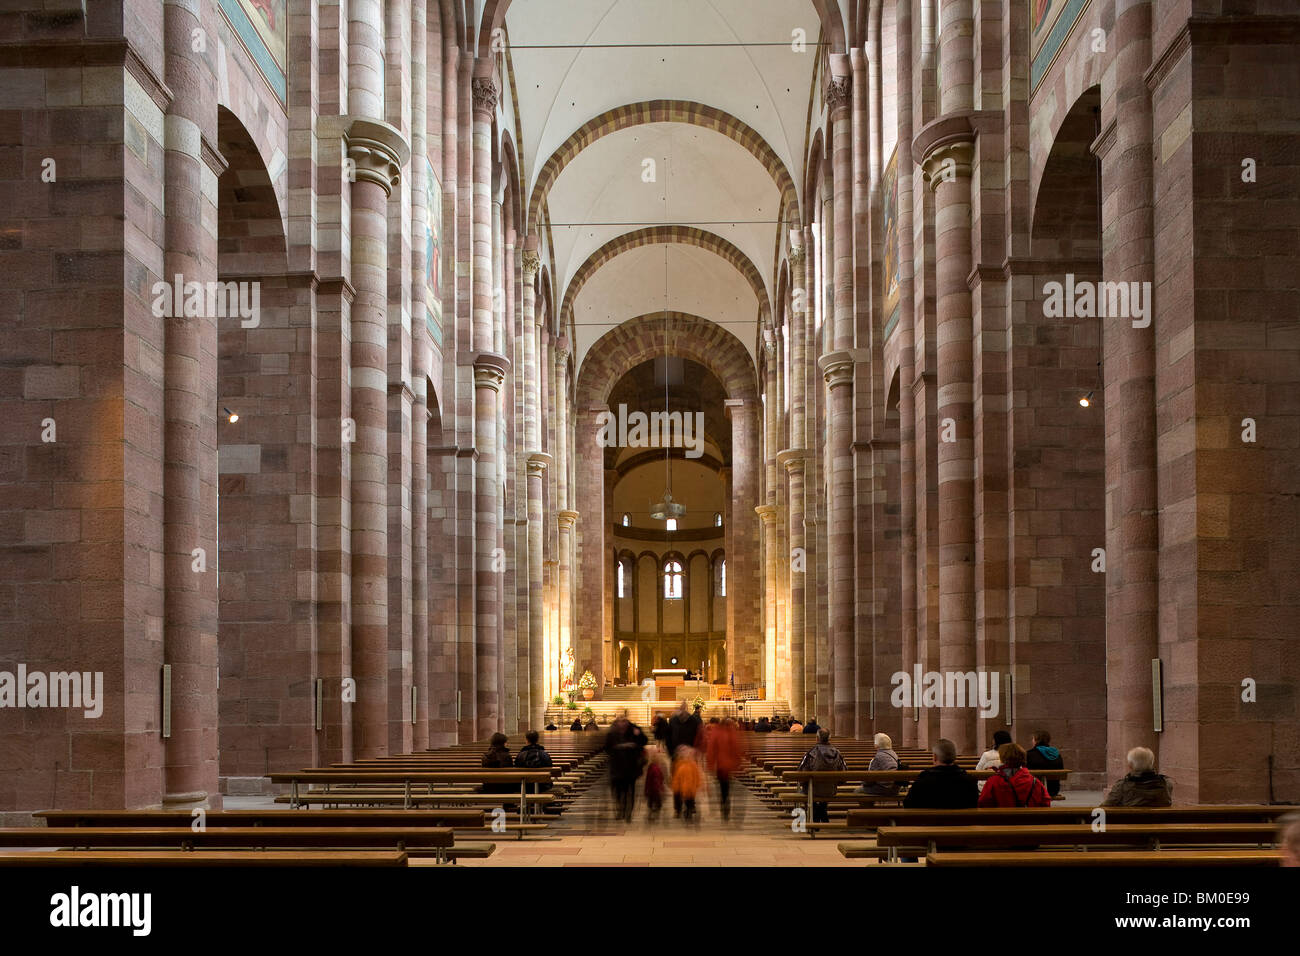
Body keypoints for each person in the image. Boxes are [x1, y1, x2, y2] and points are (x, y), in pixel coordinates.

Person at [903, 738, 979, 808]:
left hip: (929, 822)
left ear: (935, 757)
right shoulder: (969, 780)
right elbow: (974, 803)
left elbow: (908, 804)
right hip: (962, 822)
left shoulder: (924, 779)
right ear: (955, 757)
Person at [978, 743, 1051, 808]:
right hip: (1029, 821)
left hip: (1001, 821)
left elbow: (983, 803)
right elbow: (1045, 802)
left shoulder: (993, 781)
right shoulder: (1034, 781)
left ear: (1003, 758)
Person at [797, 729, 847, 823]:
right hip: (831, 790)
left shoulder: (811, 753)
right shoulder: (837, 753)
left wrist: (803, 782)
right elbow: (844, 774)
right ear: (829, 738)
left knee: (808, 788)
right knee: (821, 788)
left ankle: (817, 812)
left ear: (817, 738)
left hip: (813, 790)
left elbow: (801, 773)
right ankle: (822, 810)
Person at [605, 712, 648, 822]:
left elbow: (644, 741)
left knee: (630, 790)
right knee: (618, 791)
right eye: (620, 720)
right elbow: (607, 748)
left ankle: (628, 813)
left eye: (624, 720)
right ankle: (620, 809)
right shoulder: (612, 732)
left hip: (631, 766)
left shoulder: (634, 729)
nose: (622, 723)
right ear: (617, 721)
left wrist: (638, 735)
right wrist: (621, 747)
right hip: (617, 766)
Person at [1101, 746, 1174, 807]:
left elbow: (1106, 807)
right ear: (1152, 763)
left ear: (1130, 765)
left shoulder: (1122, 786)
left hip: (1131, 823)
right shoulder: (1166, 783)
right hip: (1160, 823)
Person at [705, 716, 743, 821]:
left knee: (723, 788)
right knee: (728, 786)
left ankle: (724, 805)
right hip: (731, 766)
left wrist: (710, 765)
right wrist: (738, 764)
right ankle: (727, 804)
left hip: (721, 766)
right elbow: (738, 749)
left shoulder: (717, 733)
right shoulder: (733, 734)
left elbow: (711, 750)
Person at [855, 732, 902, 797]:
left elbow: (871, 777)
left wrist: (864, 783)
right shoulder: (893, 754)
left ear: (876, 745)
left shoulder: (879, 757)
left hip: (885, 789)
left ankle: (868, 807)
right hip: (896, 788)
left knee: (857, 791)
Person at [1026, 729, 1065, 799]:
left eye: (1032, 739)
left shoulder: (1029, 754)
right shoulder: (1056, 753)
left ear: (1035, 740)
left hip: (1034, 790)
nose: (1032, 741)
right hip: (1053, 790)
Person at [671, 745, 703, 822]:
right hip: (682, 787)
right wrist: (675, 786)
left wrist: (698, 785)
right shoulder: (678, 763)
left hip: (690, 787)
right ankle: (680, 811)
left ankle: (688, 810)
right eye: (684, 754)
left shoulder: (693, 765)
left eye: (688, 754)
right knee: (681, 799)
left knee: (689, 800)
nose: (686, 756)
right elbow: (675, 776)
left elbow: (697, 775)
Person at [643, 744, 669, 822]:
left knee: (653, 803)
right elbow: (663, 776)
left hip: (653, 789)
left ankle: (652, 813)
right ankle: (653, 813)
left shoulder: (651, 766)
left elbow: (647, 779)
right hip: (655, 789)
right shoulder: (654, 766)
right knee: (656, 803)